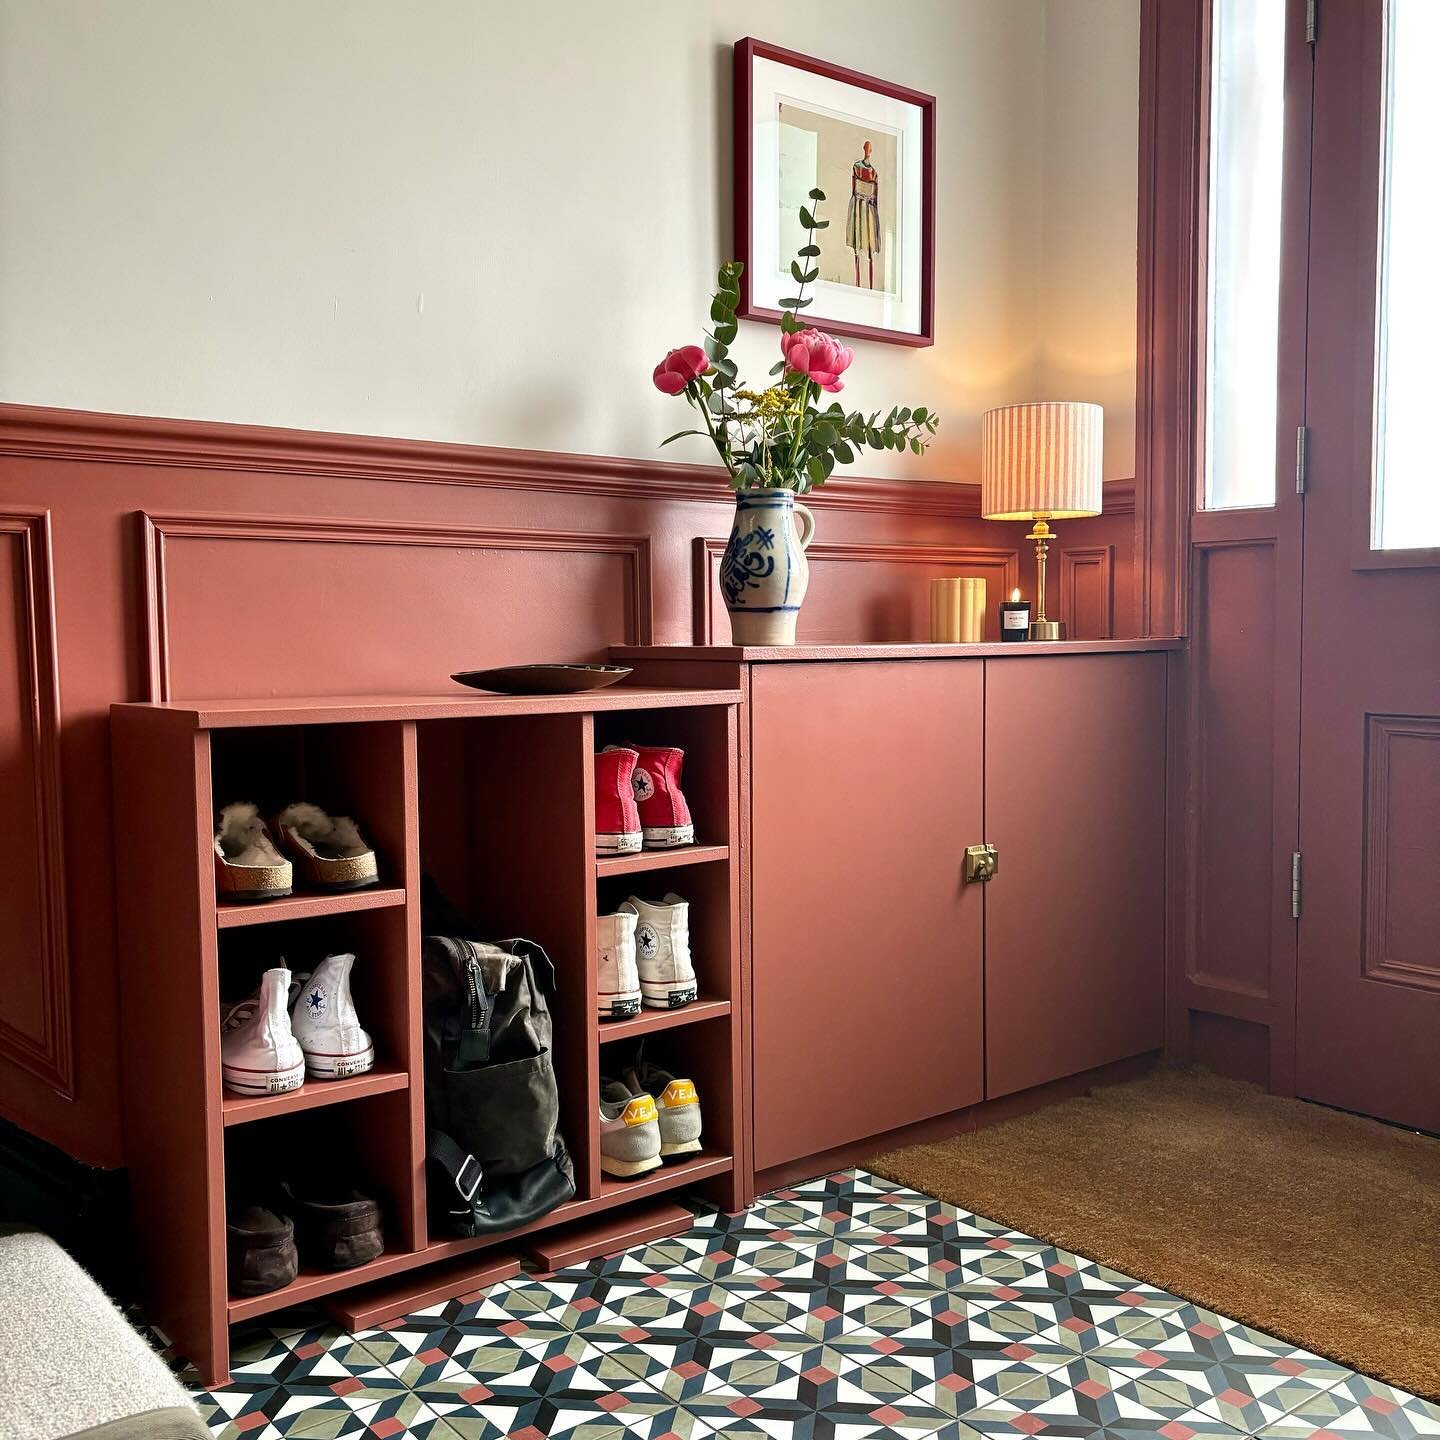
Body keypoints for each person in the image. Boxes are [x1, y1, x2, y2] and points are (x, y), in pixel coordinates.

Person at [845, 140, 881, 289]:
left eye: (869, 149)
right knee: (857, 246)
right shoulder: (857, 167)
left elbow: (875, 194)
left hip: (869, 207)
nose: (867, 150)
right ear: (864, 149)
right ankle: (858, 284)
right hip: (859, 205)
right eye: (866, 148)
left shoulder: (874, 172)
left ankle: (871, 287)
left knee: (870, 247)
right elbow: (854, 189)